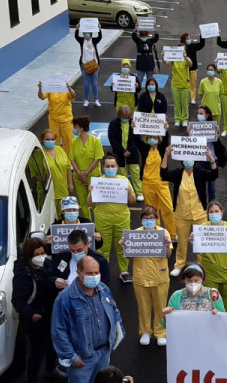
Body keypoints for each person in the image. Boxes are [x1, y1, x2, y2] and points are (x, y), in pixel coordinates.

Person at [52, 254, 123, 383]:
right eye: (90, 273)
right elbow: (59, 331)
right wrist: (71, 358)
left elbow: (115, 311)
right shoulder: (66, 298)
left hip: (103, 353)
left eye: (97, 272)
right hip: (82, 358)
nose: (94, 276)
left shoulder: (103, 290)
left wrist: (117, 334)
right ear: (80, 274)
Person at [162, 263, 225, 383]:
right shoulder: (176, 296)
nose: (192, 283)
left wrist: (217, 314)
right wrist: (166, 314)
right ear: (183, 280)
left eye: (196, 279)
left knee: (206, 381)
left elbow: (223, 319)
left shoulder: (213, 294)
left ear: (202, 279)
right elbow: (166, 323)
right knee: (188, 382)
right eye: (189, 280)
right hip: (185, 348)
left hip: (208, 347)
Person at [12, 236, 60, 383]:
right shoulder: (23, 273)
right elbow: (17, 300)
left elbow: (51, 276)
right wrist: (32, 315)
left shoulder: (46, 264)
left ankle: (51, 369)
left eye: (42, 253)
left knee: (52, 344)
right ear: (28, 256)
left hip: (50, 313)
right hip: (36, 319)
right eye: (37, 254)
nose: (41, 257)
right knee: (37, 351)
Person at [162, 141, 218, 269]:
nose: (189, 161)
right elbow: (163, 174)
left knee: (200, 242)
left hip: (199, 213)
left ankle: (201, 265)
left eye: (191, 159)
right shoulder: (177, 174)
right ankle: (179, 265)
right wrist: (166, 155)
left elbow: (214, 175)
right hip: (181, 214)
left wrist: (211, 158)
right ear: (182, 161)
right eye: (186, 159)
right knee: (182, 242)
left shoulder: (200, 173)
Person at [130, 204, 173, 346]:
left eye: (152, 217)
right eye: (146, 218)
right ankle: (145, 332)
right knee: (143, 306)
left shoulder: (164, 233)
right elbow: (130, 255)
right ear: (141, 219)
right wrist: (125, 246)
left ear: (156, 218)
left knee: (161, 306)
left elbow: (168, 255)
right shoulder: (135, 234)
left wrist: (167, 245)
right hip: (141, 276)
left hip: (160, 276)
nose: (149, 220)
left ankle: (160, 332)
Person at [90, 153, 136, 283]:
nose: (110, 168)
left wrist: (129, 192)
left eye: (112, 166)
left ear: (117, 167)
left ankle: (124, 271)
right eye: (107, 166)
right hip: (102, 218)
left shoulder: (124, 181)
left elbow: (132, 201)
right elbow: (90, 204)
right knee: (103, 246)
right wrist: (91, 192)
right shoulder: (98, 181)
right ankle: (103, 270)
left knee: (122, 244)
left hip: (121, 217)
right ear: (103, 167)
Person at [193, 199, 227, 306]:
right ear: (208, 214)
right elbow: (199, 250)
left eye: (216, 211)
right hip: (210, 275)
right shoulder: (202, 228)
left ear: (222, 212)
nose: (214, 214)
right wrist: (193, 242)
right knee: (210, 305)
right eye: (211, 212)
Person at [140, 132, 177, 238]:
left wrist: (166, 129)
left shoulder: (162, 148)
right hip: (147, 183)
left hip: (161, 183)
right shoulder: (144, 149)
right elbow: (136, 140)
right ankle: (155, 232)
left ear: (159, 138)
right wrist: (133, 128)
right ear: (146, 138)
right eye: (150, 137)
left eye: (155, 137)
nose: (152, 139)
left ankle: (172, 234)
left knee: (168, 209)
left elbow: (166, 138)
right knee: (152, 210)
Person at [107, 104, 144, 203]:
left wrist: (130, 150)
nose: (125, 119)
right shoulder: (113, 124)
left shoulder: (134, 123)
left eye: (127, 117)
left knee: (135, 173)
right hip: (119, 154)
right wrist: (122, 151)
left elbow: (137, 139)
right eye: (124, 117)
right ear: (119, 115)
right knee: (122, 175)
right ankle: (126, 193)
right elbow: (113, 140)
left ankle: (139, 192)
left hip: (132, 153)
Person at [69, 115, 103, 221]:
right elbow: (72, 159)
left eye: (75, 127)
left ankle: (98, 222)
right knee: (83, 202)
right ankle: (88, 222)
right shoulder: (74, 142)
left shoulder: (95, 141)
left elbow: (97, 159)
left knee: (94, 201)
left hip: (93, 176)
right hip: (78, 177)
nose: (74, 129)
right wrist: (79, 173)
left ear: (81, 128)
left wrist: (86, 173)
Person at [195, 106, 227, 202]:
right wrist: (189, 133)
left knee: (211, 182)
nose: (199, 115)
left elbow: (217, 143)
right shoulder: (194, 126)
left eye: (201, 114)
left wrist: (216, 133)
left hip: (211, 159)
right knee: (199, 182)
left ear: (207, 115)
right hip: (200, 159)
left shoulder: (212, 126)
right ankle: (201, 203)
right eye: (198, 113)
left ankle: (212, 203)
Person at [38, 79, 76, 156]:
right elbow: (41, 97)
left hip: (66, 119)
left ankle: (67, 160)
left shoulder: (66, 90)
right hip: (54, 119)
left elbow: (73, 96)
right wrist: (40, 89)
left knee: (68, 141)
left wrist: (69, 88)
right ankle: (56, 158)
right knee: (53, 141)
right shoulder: (50, 90)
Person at [41, 128, 72, 219]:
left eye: (52, 139)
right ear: (42, 140)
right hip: (49, 191)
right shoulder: (40, 153)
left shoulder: (60, 150)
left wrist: (70, 183)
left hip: (63, 190)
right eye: (47, 139)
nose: (50, 141)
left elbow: (68, 167)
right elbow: (36, 174)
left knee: (64, 215)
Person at [74, 26, 103, 107]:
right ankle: (86, 100)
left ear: (91, 34)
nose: (87, 34)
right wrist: (77, 29)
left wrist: (99, 29)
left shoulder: (94, 40)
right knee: (86, 84)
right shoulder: (81, 41)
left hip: (94, 65)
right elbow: (76, 37)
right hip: (84, 65)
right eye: (85, 33)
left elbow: (100, 37)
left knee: (94, 83)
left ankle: (96, 100)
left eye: (88, 33)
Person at [167, 42, 193, 126]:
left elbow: (190, 64)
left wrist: (185, 57)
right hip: (175, 84)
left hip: (185, 84)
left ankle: (185, 119)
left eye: (184, 49)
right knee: (177, 103)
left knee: (184, 103)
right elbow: (167, 63)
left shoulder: (186, 59)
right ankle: (177, 119)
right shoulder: (174, 58)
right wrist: (163, 56)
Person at [182, 31, 206, 104]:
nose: (189, 39)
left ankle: (193, 98)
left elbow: (201, 45)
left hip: (193, 68)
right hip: (184, 68)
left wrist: (202, 36)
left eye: (189, 38)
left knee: (193, 84)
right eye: (187, 38)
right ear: (184, 40)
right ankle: (185, 97)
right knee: (184, 84)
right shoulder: (181, 47)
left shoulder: (192, 46)